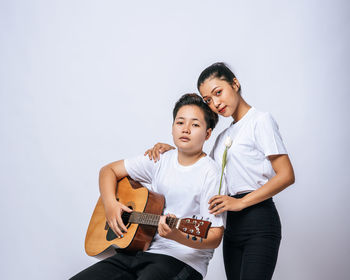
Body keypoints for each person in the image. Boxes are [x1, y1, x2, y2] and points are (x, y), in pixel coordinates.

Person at [145, 62, 295, 280]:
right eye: (208, 100)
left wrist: (241, 202)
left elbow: (286, 175)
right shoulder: (222, 137)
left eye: (218, 93)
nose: (215, 103)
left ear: (235, 84)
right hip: (231, 226)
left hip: (259, 220)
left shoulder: (260, 121)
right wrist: (173, 150)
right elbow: (201, 165)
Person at [70, 93, 225, 280]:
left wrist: (176, 235)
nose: (186, 129)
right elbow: (108, 171)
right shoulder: (160, 159)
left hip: (182, 260)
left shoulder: (211, 173)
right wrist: (111, 206)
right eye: (180, 122)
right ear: (172, 127)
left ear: (208, 133)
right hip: (139, 250)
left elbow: (215, 236)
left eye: (195, 124)